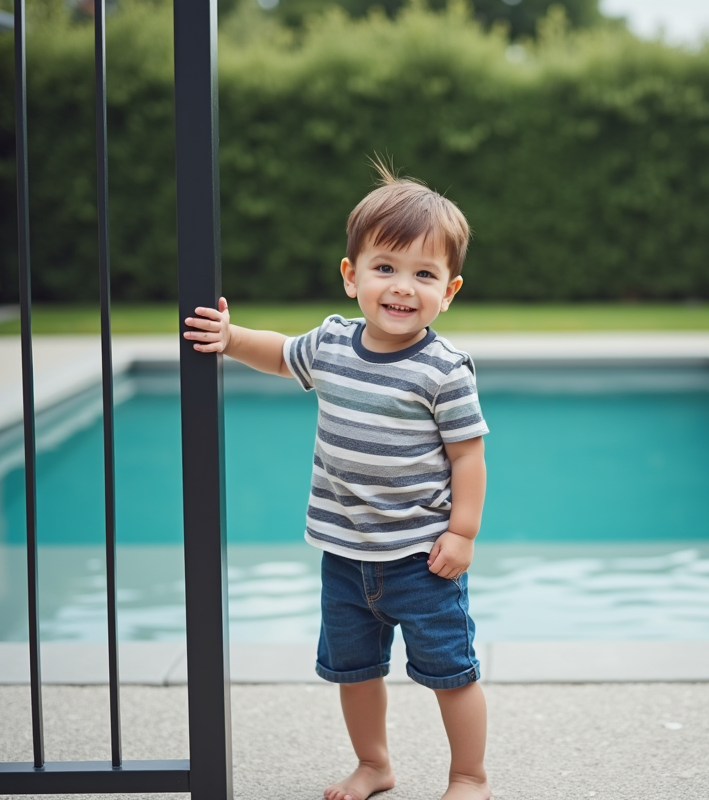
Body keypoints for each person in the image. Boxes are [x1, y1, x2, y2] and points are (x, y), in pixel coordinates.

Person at [184, 162, 490, 800]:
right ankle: (374, 764)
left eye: (424, 275)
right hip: (345, 555)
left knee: (451, 672)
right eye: (386, 268)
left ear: (450, 290)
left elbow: (467, 456)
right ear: (352, 276)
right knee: (355, 670)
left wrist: (462, 533)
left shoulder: (444, 370)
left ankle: (468, 775)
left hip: (421, 558)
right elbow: (276, 353)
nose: (402, 288)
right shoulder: (330, 345)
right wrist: (230, 337)